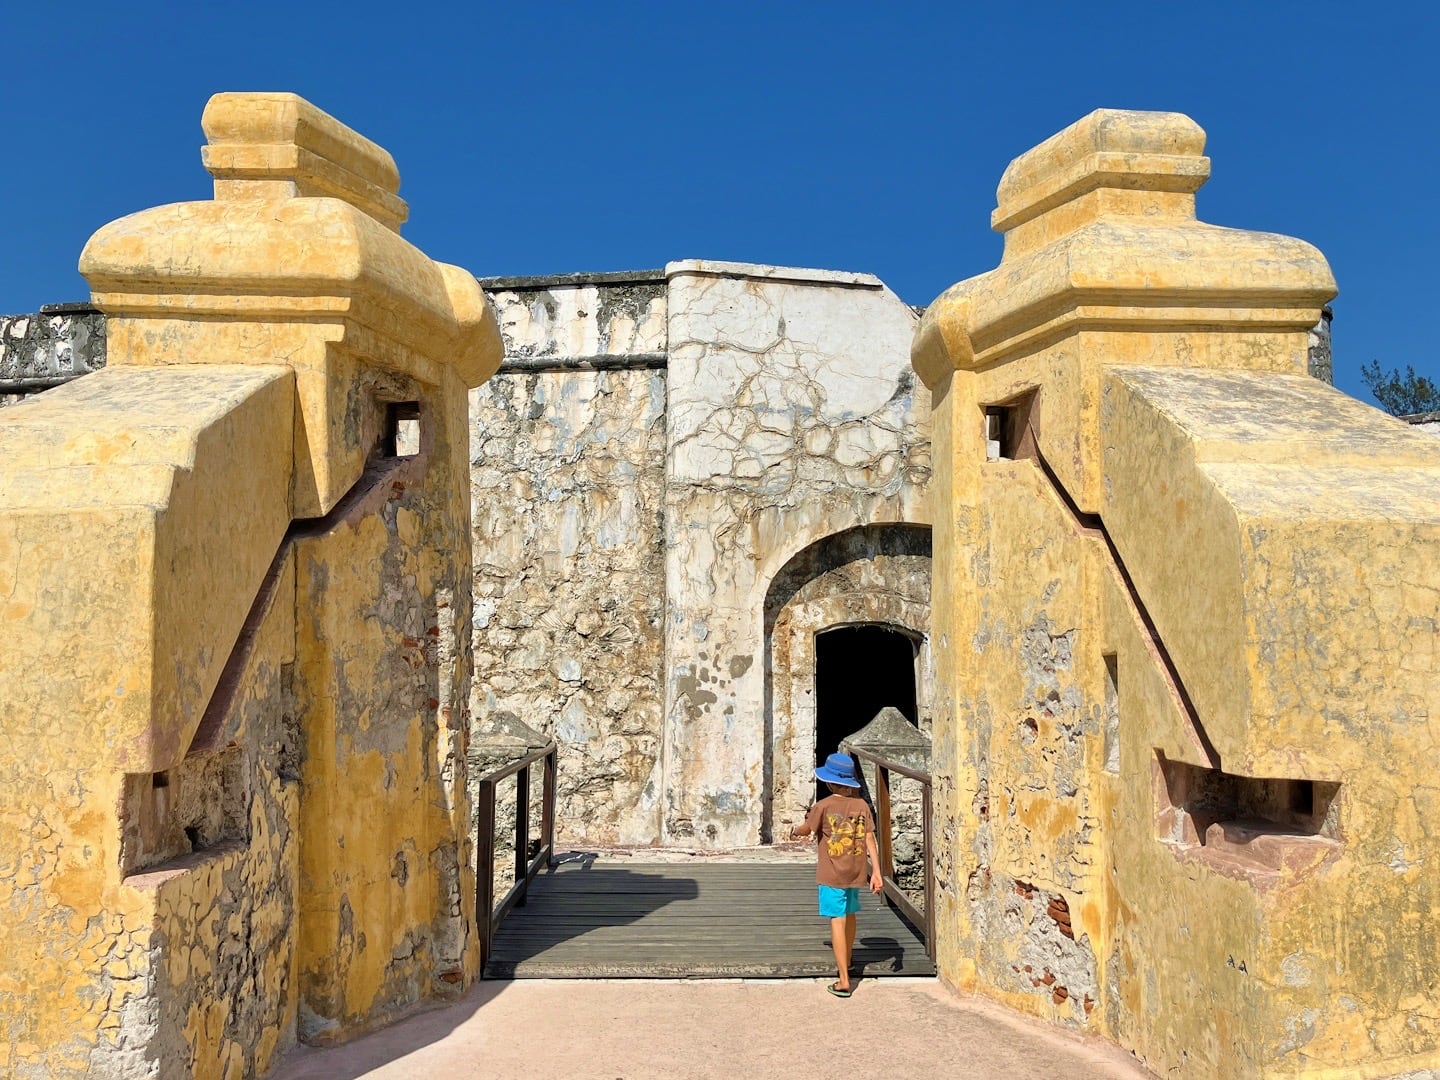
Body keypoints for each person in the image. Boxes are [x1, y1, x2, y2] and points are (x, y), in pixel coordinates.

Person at [790, 751, 884, 997]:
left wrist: (795, 830)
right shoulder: (861, 805)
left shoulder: (823, 806)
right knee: (850, 914)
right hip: (856, 870)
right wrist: (876, 872)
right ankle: (848, 958)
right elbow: (870, 838)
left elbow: (807, 829)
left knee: (837, 919)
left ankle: (843, 980)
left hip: (832, 872)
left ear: (829, 782)